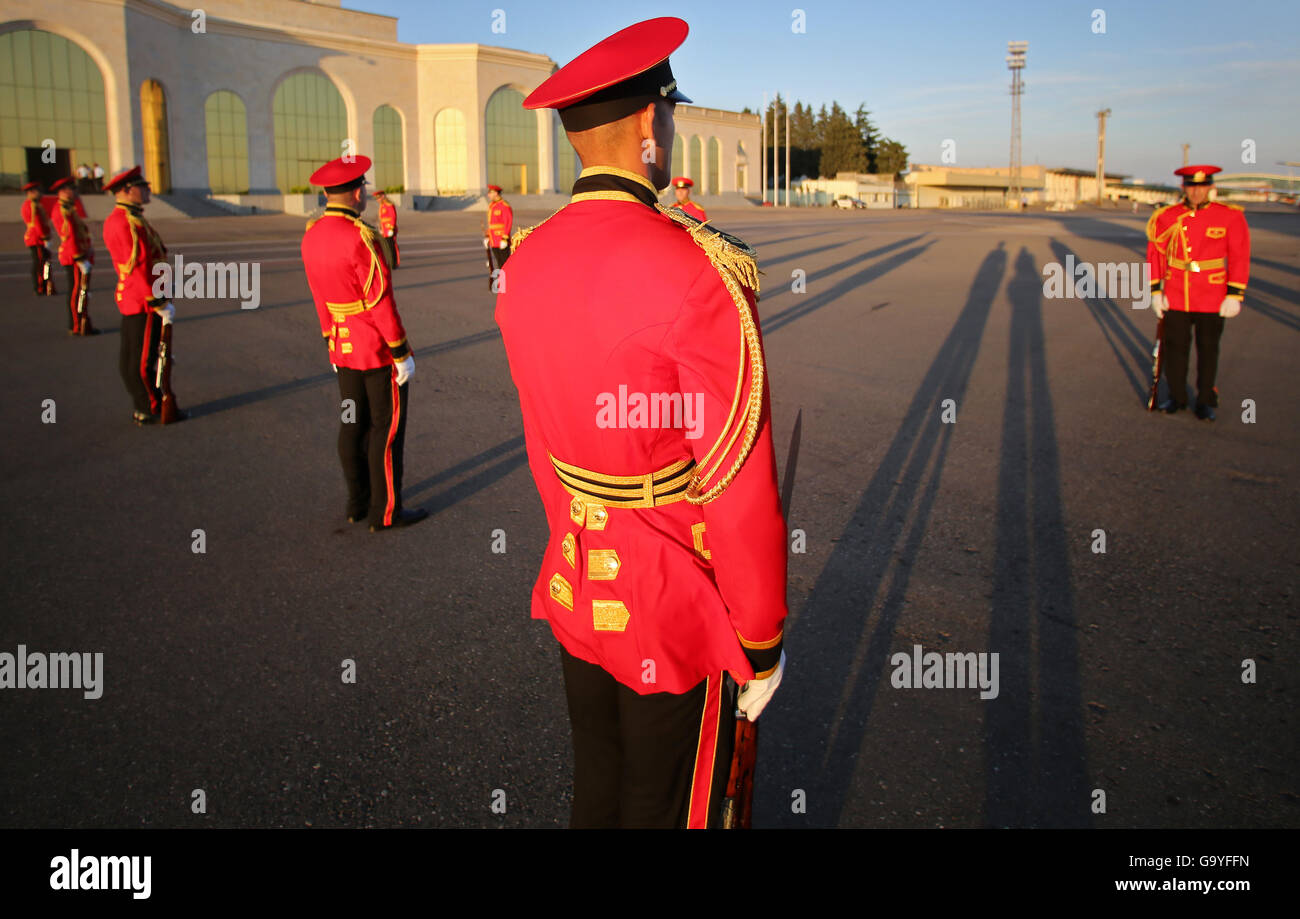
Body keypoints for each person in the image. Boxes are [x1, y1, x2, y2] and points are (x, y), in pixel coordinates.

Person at [496, 16, 788, 829]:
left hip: (575, 573)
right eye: (667, 113)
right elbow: (734, 477)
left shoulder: (527, 261)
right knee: (664, 807)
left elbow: (541, 440)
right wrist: (758, 637)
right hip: (670, 598)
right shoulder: (698, 269)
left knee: (598, 783)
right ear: (645, 125)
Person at [301, 155, 427, 532]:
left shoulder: (312, 235)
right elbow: (379, 300)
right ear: (356, 193)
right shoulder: (359, 236)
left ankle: (356, 503)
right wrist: (400, 350)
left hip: (341, 344)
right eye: (363, 189)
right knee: (385, 429)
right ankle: (385, 510)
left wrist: (329, 338)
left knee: (351, 423)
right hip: (373, 346)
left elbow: (318, 295)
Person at [1147, 165, 1250, 421]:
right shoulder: (1166, 216)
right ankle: (1178, 397)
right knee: (1175, 348)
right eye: (1192, 186)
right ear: (1183, 188)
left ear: (1211, 188)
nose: (1196, 192)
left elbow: (1239, 255)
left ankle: (1205, 399)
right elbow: (1157, 254)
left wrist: (1234, 294)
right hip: (1176, 291)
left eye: (1202, 186)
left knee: (1208, 349)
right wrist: (1156, 290)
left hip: (1212, 293)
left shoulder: (1230, 216)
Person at [102, 166, 181, 425]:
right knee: (143, 361)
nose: (147, 190)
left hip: (137, 299)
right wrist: (158, 302)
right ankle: (151, 407)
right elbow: (137, 267)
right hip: (143, 302)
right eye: (143, 186)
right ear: (127, 190)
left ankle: (144, 405)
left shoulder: (129, 218)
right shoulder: (126, 222)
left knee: (135, 357)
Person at [49, 177, 99, 336]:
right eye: (73, 189)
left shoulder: (69, 207)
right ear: (64, 191)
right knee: (77, 291)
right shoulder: (62, 209)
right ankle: (77, 324)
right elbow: (69, 235)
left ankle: (81, 320)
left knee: (80, 290)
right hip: (74, 255)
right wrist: (80, 258)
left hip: (78, 253)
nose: (76, 192)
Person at [20, 181, 56, 296]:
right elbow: (37, 223)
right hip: (36, 237)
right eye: (37, 191)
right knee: (40, 263)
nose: (40, 194)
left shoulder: (34, 204)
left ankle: (46, 285)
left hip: (37, 236)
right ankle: (40, 286)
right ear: (30, 193)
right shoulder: (31, 205)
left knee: (43, 262)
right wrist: (44, 237)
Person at [484, 184, 512, 291]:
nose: (489, 194)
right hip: (494, 239)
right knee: (498, 262)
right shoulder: (492, 205)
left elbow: (507, 222)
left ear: (496, 193)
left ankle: (507, 284)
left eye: (490, 192)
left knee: (505, 263)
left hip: (501, 239)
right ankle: (501, 284)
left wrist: (505, 238)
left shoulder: (504, 206)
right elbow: (492, 224)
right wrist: (488, 235)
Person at [375, 190, 400, 269]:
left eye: (379, 198)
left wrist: (391, 228)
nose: (378, 200)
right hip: (384, 229)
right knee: (386, 247)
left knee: (391, 247)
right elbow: (381, 219)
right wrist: (381, 228)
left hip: (389, 229)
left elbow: (393, 217)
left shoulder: (389, 205)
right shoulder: (382, 206)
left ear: (383, 196)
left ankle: (393, 263)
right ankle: (389, 262)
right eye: (377, 199)